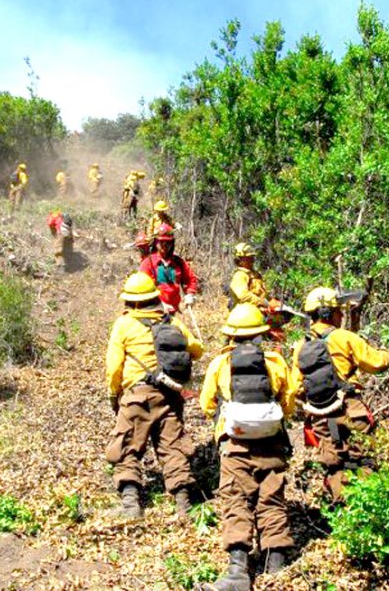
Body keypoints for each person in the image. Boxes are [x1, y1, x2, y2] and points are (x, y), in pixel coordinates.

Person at [200, 304, 298, 590]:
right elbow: (288, 402)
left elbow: (207, 404)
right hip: (272, 443)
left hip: (235, 445)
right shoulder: (276, 362)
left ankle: (237, 572)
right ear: (260, 335)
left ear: (231, 335)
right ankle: (275, 564)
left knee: (237, 501)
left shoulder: (220, 364)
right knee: (272, 498)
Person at [105, 272, 204, 519]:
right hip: (169, 396)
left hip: (136, 396)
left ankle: (131, 506)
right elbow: (196, 350)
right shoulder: (171, 322)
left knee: (127, 447)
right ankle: (184, 506)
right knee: (172, 448)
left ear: (131, 302)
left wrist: (114, 394)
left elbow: (114, 367)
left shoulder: (124, 325)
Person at [291, 286, 389, 503]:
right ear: (329, 313)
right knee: (362, 459)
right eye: (339, 311)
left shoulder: (301, 346)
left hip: (322, 417)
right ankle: (369, 511)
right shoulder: (344, 337)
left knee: (336, 462)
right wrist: (388, 354)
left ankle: (345, 514)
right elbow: (376, 363)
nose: (341, 315)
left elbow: (295, 386)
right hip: (350, 409)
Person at [139, 224, 198, 314]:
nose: (164, 245)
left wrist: (190, 294)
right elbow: (142, 289)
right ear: (155, 242)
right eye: (161, 242)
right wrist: (159, 305)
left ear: (172, 243)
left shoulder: (178, 262)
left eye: (168, 242)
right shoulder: (148, 263)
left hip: (173, 311)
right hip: (153, 312)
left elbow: (190, 279)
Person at [228, 242, 268, 310]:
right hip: (244, 315)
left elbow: (262, 293)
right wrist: (262, 302)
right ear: (239, 259)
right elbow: (242, 296)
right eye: (248, 258)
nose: (252, 260)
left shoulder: (255, 274)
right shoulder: (239, 275)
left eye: (252, 257)